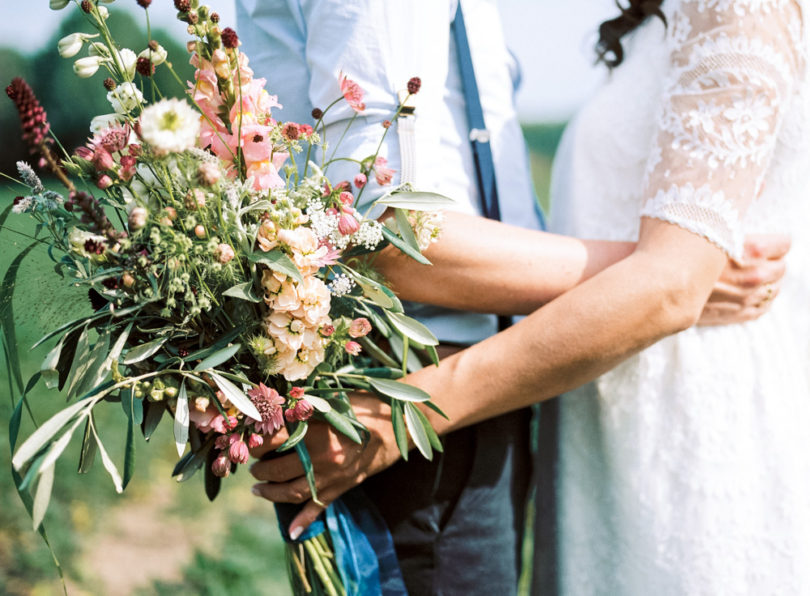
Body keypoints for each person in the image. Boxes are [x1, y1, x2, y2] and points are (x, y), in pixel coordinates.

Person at [239, 0, 794, 593]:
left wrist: (670, 276)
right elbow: (381, 227)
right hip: (523, 408)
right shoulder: (662, 21)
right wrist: (656, 275)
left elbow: (674, 280)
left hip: (683, 438)